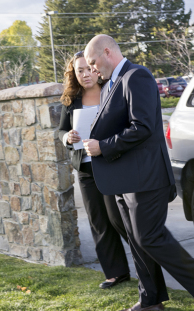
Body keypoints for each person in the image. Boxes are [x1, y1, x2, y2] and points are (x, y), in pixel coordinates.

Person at [82, 34, 194, 311]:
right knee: (136, 238)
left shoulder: (136, 77)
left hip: (146, 176)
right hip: (125, 178)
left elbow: (143, 126)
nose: (93, 69)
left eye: (93, 62)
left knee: (149, 236)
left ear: (107, 52)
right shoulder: (112, 83)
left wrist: (103, 146)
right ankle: (150, 298)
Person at [57, 51, 130, 290]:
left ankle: (147, 262)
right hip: (85, 169)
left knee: (118, 219)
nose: (85, 74)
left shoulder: (112, 89)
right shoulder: (71, 99)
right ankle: (116, 273)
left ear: (95, 68)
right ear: (74, 74)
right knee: (99, 221)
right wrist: (67, 137)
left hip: (112, 164)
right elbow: (60, 131)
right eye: (80, 71)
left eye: (88, 69)